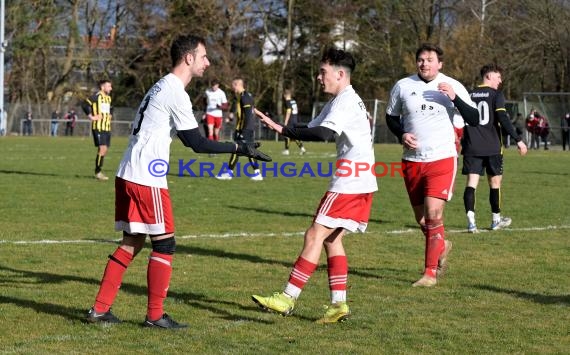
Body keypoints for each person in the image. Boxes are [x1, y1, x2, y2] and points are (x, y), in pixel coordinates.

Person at [85, 34, 270, 329]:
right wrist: (239, 148)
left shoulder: (160, 84)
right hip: (146, 177)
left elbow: (186, 138)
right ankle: (155, 316)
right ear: (188, 58)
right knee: (165, 244)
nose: (208, 62)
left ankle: (99, 309)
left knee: (132, 242)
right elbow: (196, 143)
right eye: (204, 56)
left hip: (128, 173)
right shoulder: (174, 90)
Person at [251, 48, 378, 323]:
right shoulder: (339, 101)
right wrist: (280, 127)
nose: (319, 78)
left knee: (314, 235)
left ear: (340, 74)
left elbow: (321, 134)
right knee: (332, 240)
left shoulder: (345, 101)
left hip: (350, 182)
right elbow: (310, 127)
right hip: (360, 180)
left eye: (323, 72)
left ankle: (287, 297)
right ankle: (338, 305)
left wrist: (284, 129)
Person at [385, 43, 480, 287]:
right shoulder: (403, 86)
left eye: (429, 59)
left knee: (434, 214)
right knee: (423, 221)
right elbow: (391, 118)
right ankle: (443, 245)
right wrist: (402, 134)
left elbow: (474, 119)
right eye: (421, 59)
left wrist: (455, 98)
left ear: (440, 64)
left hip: (442, 158)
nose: (424, 63)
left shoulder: (452, 85)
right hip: (412, 161)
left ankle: (430, 274)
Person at [461, 64, 528, 234]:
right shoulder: (496, 94)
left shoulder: (468, 94)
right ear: (489, 76)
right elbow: (503, 118)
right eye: (498, 77)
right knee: (495, 183)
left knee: (471, 184)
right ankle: (496, 220)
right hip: (492, 146)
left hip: (472, 146)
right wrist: (518, 140)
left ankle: (471, 223)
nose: (500, 81)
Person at [216, 77, 263, 181]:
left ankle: (229, 173)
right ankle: (257, 173)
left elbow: (249, 116)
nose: (232, 88)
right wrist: (232, 118)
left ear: (237, 85)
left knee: (237, 150)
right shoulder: (241, 97)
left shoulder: (245, 97)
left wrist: (244, 131)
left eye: (233, 85)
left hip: (244, 130)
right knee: (246, 150)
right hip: (242, 129)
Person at [82, 79, 113, 180]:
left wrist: (110, 114)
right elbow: (85, 104)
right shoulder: (96, 96)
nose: (111, 88)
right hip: (98, 127)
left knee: (105, 150)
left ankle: (98, 171)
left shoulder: (108, 98)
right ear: (102, 87)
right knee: (102, 148)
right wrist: (91, 117)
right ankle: (98, 172)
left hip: (107, 127)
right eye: (109, 86)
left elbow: (110, 107)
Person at [281, 89, 306, 155]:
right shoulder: (293, 101)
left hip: (290, 120)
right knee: (294, 136)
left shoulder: (287, 102)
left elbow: (289, 111)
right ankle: (302, 148)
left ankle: (286, 150)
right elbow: (296, 111)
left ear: (285, 95)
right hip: (295, 120)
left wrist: (286, 122)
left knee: (287, 135)